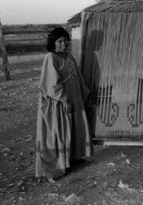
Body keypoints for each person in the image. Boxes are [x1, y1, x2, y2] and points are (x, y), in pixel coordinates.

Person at [35, 27, 93, 181]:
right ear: (53, 43)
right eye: (59, 41)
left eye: (66, 40)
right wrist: (64, 99)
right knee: (61, 130)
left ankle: (73, 158)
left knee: (74, 127)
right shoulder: (51, 57)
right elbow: (51, 83)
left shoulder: (69, 57)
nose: (64, 44)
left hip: (75, 98)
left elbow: (78, 78)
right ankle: (61, 164)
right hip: (59, 102)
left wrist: (85, 93)